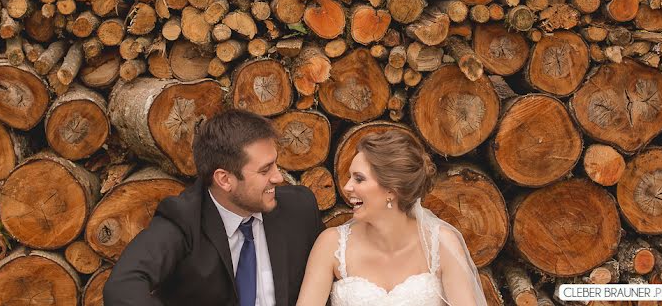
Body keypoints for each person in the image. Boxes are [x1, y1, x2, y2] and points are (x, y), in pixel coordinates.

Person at [104, 109, 323, 306]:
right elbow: (122, 286)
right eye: (265, 170)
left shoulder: (299, 209)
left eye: (275, 163)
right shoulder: (183, 219)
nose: (278, 177)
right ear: (224, 179)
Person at [296, 130, 488, 306]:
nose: (347, 187)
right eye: (350, 177)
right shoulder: (331, 244)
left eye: (359, 178)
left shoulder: (441, 244)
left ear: (391, 189)